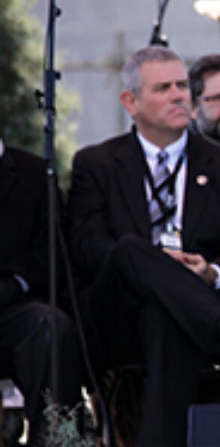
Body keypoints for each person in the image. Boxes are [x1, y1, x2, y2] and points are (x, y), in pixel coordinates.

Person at [68, 46, 220, 447]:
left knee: (167, 315)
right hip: (117, 313)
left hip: (185, 316)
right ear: (130, 102)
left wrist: (212, 273)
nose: (178, 96)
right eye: (163, 87)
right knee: (132, 249)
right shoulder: (96, 164)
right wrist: (156, 265)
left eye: (183, 85)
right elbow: (89, 250)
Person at [0, 138, 84, 446]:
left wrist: (14, 283)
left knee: (51, 330)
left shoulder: (35, 174)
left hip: (13, 310)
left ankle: (58, 441)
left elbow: (54, 254)